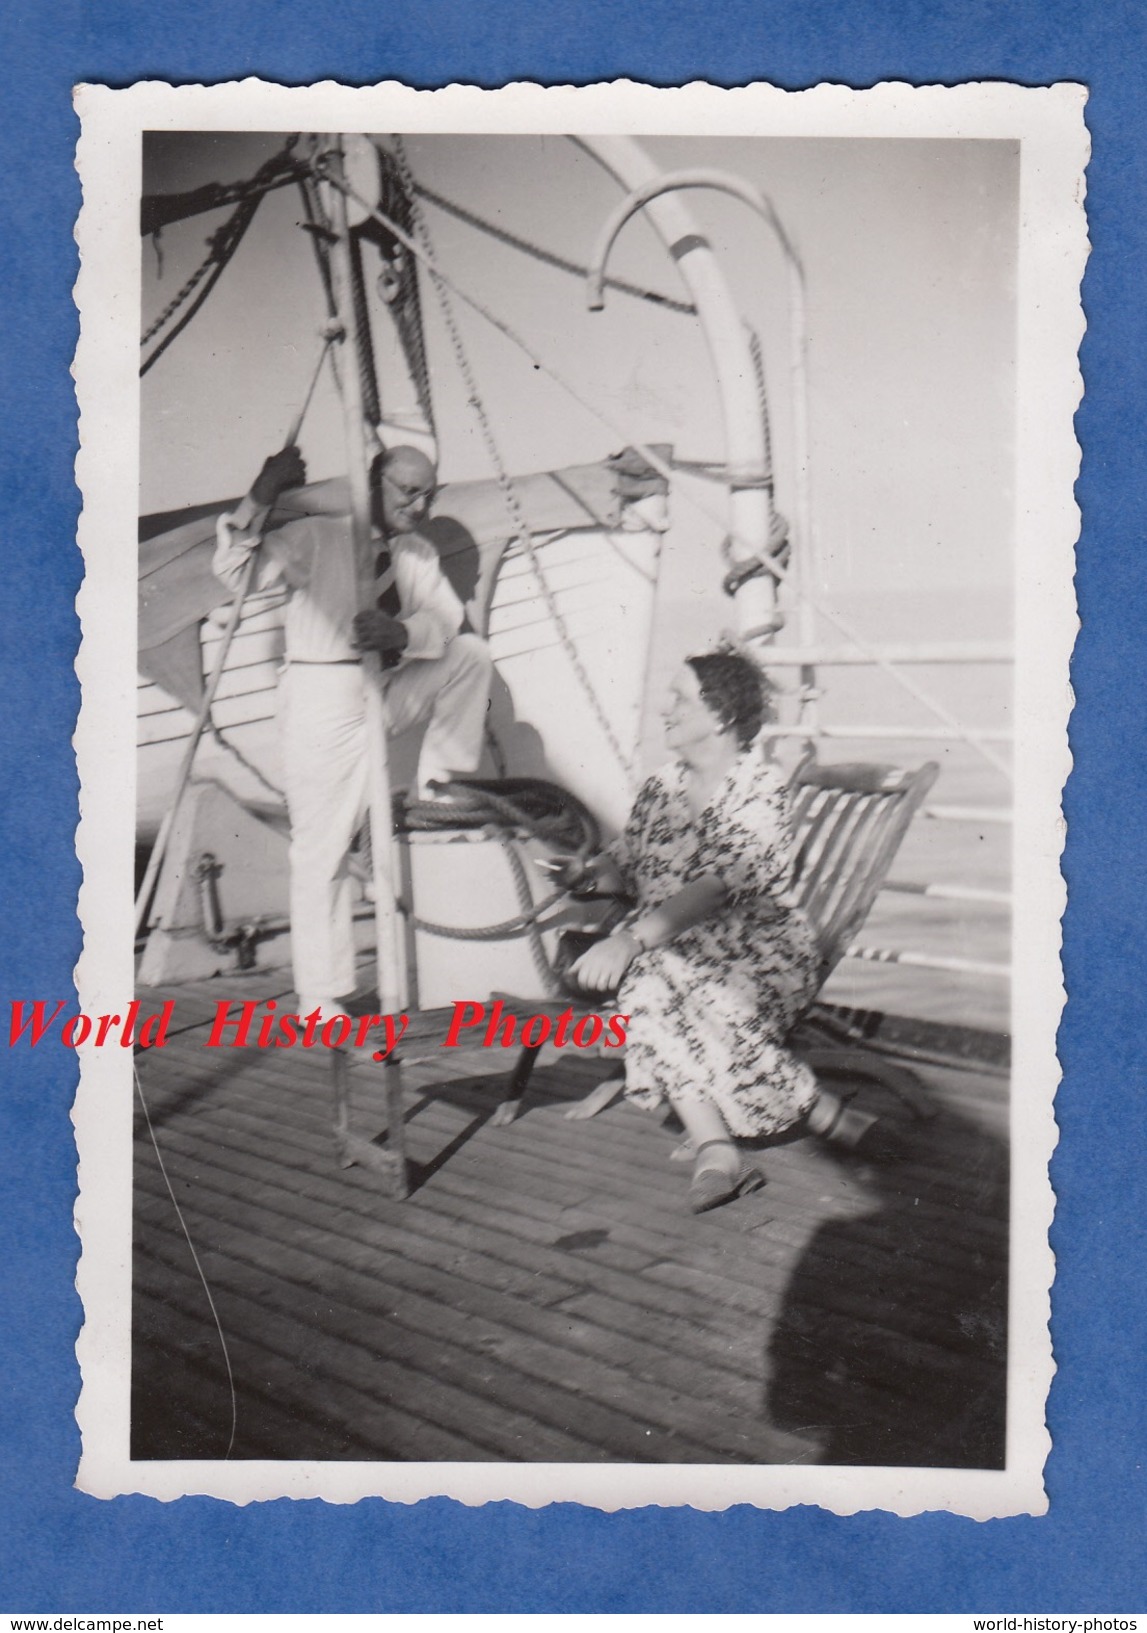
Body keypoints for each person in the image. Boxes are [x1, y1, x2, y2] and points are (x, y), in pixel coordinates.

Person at [213, 442, 492, 1016]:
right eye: (408, 490)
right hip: (323, 696)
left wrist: (403, 635)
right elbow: (235, 572)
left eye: (429, 494)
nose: (419, 504)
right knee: (323, 848)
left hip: (383, 690)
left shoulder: (415, 552)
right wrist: (262, 493)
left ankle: (443, 783)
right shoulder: (317, 537)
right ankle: (320, 996)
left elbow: (443, 620)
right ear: (375, 486)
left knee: (469, 654)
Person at [568, 650, 834, 1213]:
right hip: (676, 951)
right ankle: (725, 1149)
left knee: (645, 980)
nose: (663, 711)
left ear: (719, 717)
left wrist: (629, 940)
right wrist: (588, 875)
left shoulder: (760, 791)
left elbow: (716, 886)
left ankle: (783, 1122)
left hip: (760, 953)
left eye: (680, 700)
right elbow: (626, 861)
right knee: (651, 981)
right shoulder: (661, 786)